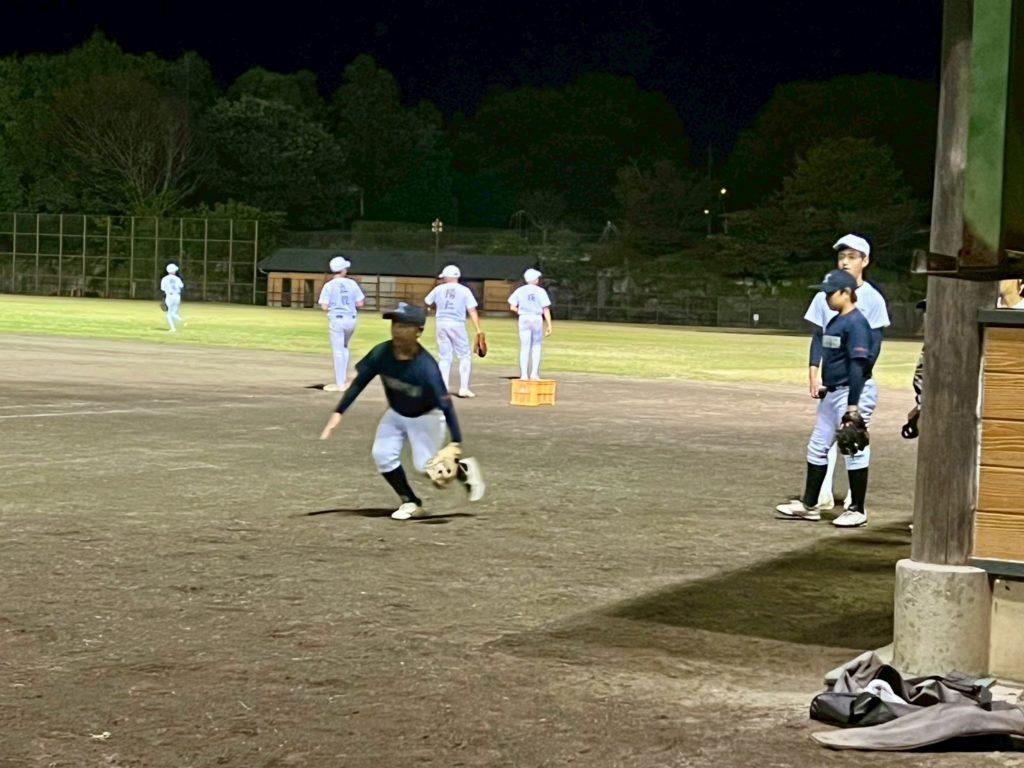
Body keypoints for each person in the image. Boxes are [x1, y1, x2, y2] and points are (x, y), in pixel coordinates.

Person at [318, 302, 485, 520]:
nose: (398, 330)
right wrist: (339, 412)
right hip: (396, 414)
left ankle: (463, 470)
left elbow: (446, 404)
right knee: (382, 455)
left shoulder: (426, 368)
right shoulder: (381, 353)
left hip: (426, 417)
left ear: (419, 332)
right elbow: (360, 382)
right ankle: (411, 502)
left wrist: (456, 443)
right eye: (395, 324)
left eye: (405, 326)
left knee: (426, 467)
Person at [777, 269, 877, 528]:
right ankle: (809, 505)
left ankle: (857, 509)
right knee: (817, 447)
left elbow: (858, 366)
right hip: (834, 392)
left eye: (831, 293)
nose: (826, 297)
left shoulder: (856, 323)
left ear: (846, 293)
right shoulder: (835, 321)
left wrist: (853, 407)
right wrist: (828, 386)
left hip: (854, 390)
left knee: (852, 447)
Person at [804, 234, 890, 513]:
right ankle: (815, 500)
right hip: (833, 386)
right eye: (841, 256)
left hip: (853, 386)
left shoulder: (869, 303)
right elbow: (819, 338)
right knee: (821, 443)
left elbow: (869, 351)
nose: (845, 261)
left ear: (865, 261)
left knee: (852, 440)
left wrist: (855, 393)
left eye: (852, 256)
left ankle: (856, 506)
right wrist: (816, 374)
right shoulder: (828, 298)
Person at [424, 264, 483, 398]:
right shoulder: (465, 290)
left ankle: (443, 387)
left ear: (446, 277)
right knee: (464, 355)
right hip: (457, 324)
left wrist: (427, 313)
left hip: (441, 323)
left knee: (444, 357)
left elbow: (427, 302)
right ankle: (463, 388)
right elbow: (472, 310)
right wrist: (478, 329)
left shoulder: (438, 289)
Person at [318, 255, 365, 392]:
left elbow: (324, 306)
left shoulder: (329, 285)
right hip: (351, 319)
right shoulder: (352, 283)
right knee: (344, 348)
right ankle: (343, 380)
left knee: (338, 351)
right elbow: (360, 303)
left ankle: (340, 384)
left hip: (337, 320)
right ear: (343, 270)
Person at [508, 268, 553, 380]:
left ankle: (524, 374)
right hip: (536, 317)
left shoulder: (520, 290)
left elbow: (512, 306)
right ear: (535, 279)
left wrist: (520, 311)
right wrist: (549, 324)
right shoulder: (541, 291)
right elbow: (545, 309)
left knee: (524, 346)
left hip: (524, 317)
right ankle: (534, 373)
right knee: (536, 345)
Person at [160, 263, 185, 332]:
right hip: (177, 296)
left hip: (169, 296)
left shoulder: (164, 279)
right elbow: (181, 286)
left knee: (169, 314)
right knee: (173, 313)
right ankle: (182, 321)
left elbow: (163, 289)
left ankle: (173, 329)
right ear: (173, 271)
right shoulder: (177, 278)